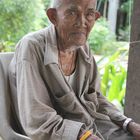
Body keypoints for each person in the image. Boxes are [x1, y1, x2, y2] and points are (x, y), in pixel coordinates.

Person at [8, 0, 140, 140]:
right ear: (53, 16)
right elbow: (37, 119)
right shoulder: (32, 47)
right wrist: (84, 136)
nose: (82, 22)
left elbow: (96, 98)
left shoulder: (83, 48)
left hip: (91, 127)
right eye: (72, 13)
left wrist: (127, 123)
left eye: (89, 14)